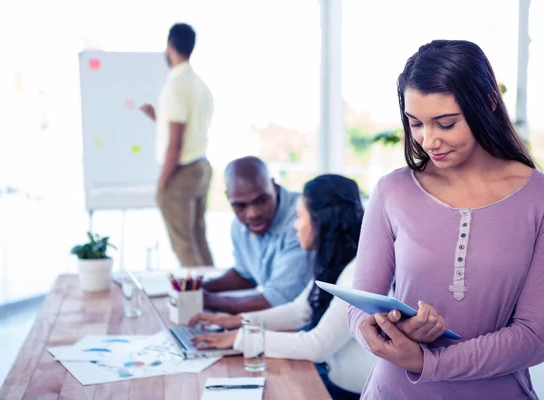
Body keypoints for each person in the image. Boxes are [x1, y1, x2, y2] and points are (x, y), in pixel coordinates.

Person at [347, 40, 544, 400]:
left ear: (487, 103)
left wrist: (427, 361)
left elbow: (534, 337)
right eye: (416, 123)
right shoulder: (392, 190)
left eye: (446, 123)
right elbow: (359, 304)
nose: (429, 140)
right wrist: (385, 327)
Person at [190, 174, 376, 399]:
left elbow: (316, 346)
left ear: (320, 221)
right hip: (333, 381)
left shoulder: (358, 272)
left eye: (299, 216)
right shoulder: (338, 260)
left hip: (352, 394)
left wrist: (239, 338)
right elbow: (300, 311)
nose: (295, 225)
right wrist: (237, 321)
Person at [139, 23, 214, 267]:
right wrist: (157, 118)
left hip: (182, 173)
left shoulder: (175, 86)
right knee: (198, 239)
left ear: (170, 46)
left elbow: (176, 142)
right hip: (201, 166)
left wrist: (162, 184)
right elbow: (187, 130)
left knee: (183, 245)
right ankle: (214, 295)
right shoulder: (199, 85)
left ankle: (200, 301)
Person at [200, 156, 312, 314]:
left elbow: (277, 300)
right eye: (240, 205)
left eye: (262, 200)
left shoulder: (302, 221)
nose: (253, 214)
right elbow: (246, 275)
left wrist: (205, 299)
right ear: (229, 198)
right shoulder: (239, 225)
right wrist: (200, 287)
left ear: (273, 185)